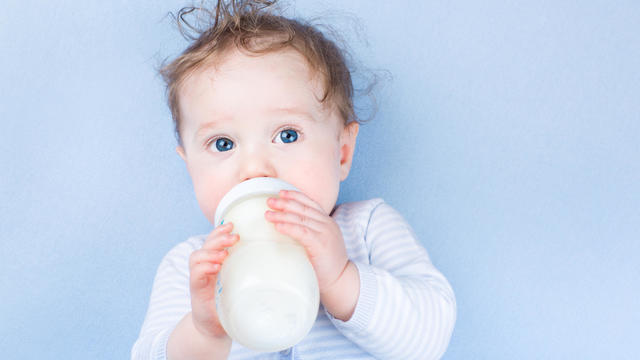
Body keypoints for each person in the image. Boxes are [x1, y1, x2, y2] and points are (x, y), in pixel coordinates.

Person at [132, 1, 456, 359]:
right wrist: (204, 332)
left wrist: (342, 280)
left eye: (287, 135)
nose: (256, 169)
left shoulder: (367, 230)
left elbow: (429, 338)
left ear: (342, 152)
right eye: (223, 144)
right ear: (190, 167)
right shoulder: (193, 267)